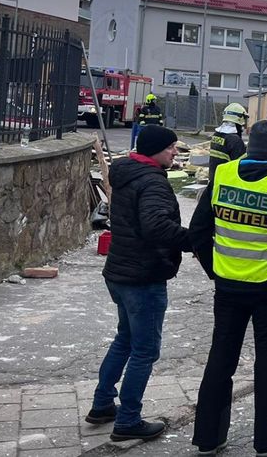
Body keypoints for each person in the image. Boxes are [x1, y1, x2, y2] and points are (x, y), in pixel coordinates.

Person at [190, 121, 267, 457]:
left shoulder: (223, 176)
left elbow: (198, 231)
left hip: (228, 285)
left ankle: (208, 438)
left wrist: (214, 269)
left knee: (221, 358)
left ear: (247, 147)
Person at [87, 125, 192, 442]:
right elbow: (156, 226)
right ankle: (128, 420)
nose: (175, 152)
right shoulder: (152, 182)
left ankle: (102, 404)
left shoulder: (126, 173)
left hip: (119, 272)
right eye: (170, 147)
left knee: (125, 340)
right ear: (155, 150)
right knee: (144, 351)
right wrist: (194, 240)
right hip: (143, 277)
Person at [208, 103, 248, 182]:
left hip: (214, 180)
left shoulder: (216, 135)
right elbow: (242, 166)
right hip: (227, 182)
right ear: (239, 119)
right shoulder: (235, 140)